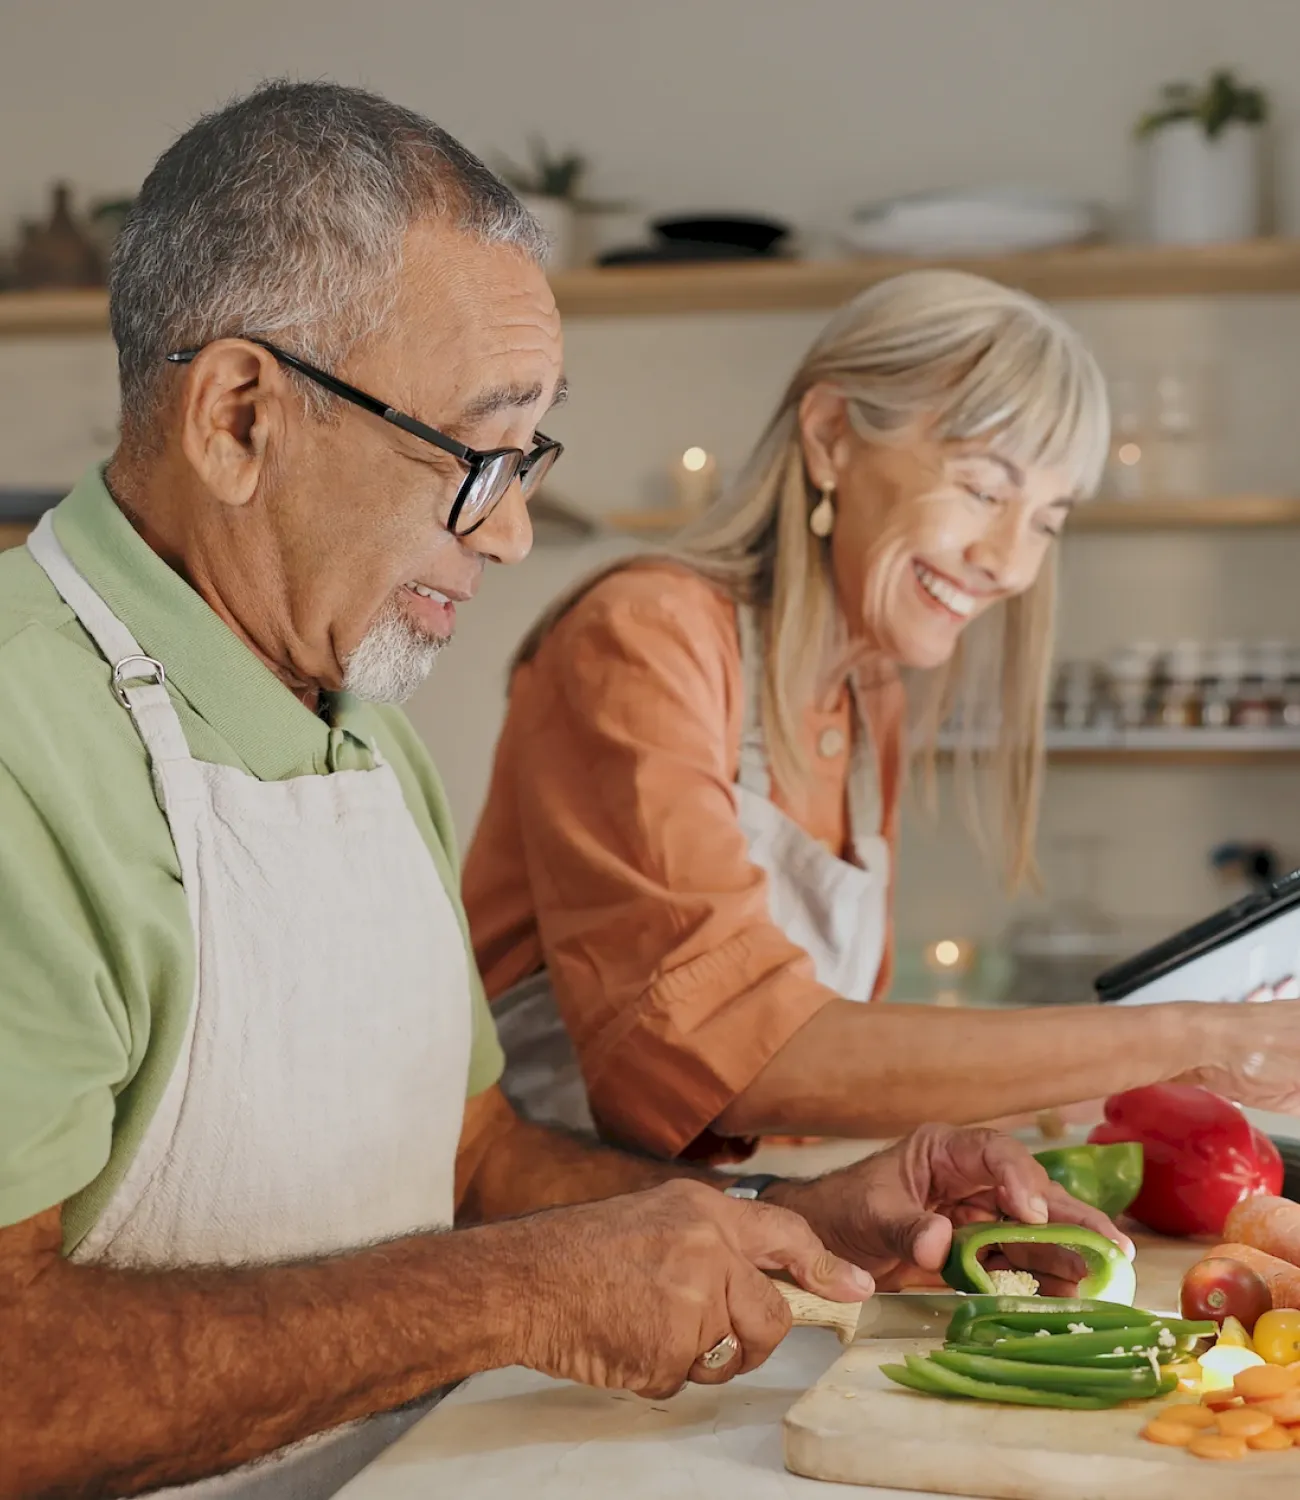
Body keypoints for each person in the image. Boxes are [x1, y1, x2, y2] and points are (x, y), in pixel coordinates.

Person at [0, 83, 1127, 1500]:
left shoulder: (363, 727)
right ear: (239, 416)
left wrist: (783, 1218)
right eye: (481, 454)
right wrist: (516, 1295)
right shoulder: (22, 741)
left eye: (531, 458)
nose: (517, 529)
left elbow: (470, 1155)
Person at [463, 268, 1300, 1164]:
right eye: (983, 489)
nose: (1010, 565)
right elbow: (727, 1051)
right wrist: (1184, 1035)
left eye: (1047, 521)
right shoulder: (642, 636)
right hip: (542, 1241)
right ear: (830, 438)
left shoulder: (870, 696)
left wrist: (1148, 1070)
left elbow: (818, 1089)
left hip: (717, 1236)